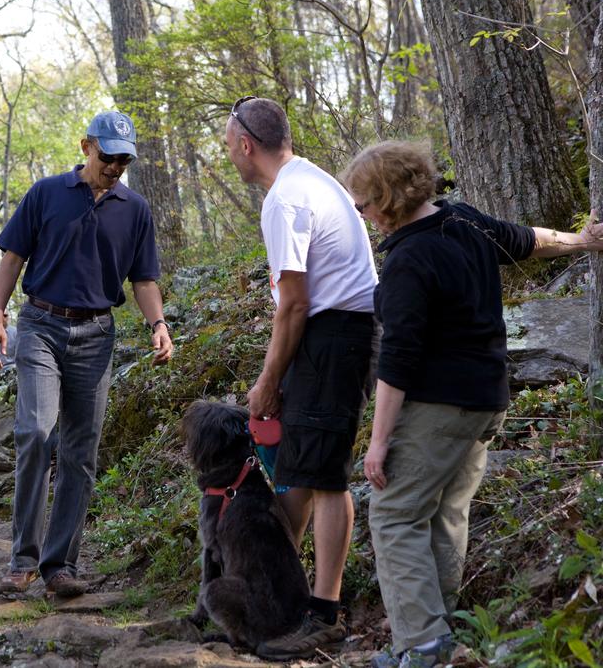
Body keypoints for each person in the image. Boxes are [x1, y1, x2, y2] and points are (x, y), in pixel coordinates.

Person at [341, 140, 603, 668]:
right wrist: (582, 241)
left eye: (363, 203)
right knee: (444, 511)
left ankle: (421, 644)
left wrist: (377, 442)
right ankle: (442, 629)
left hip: (438, 405)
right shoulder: (465, 221)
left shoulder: (408, 262)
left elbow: (397, 362)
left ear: (388, 197)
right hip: (488, 398)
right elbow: (528, 241)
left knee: (394, 515)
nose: (361, 213)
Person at [0, 110, 173, 598]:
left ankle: (59, 566)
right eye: (108, 156)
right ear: (87, 146)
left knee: (80, 452)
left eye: (123, 160)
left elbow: (144, 279)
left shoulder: (135, 209)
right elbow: (11, 259)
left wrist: (158, 324)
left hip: (95, 335)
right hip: (41, 326)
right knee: (34, 432)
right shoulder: (46, 194)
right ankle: (22, 560)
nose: (115, 167)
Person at [224, 97, 379, 660]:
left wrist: (268, 382)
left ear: (246, 145)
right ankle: (275, 595)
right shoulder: (314, 179)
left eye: (227, 145)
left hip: (332, 337)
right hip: (342, 335)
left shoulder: (286, 199)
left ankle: (322, 613)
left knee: (327, 476)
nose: (229, 155)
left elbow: (292, 304)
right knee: (302, 470)